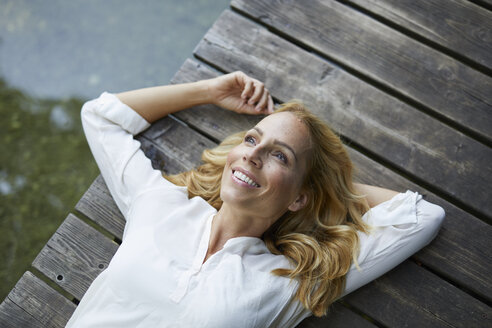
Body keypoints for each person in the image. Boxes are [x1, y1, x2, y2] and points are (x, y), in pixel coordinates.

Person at [66, 71, 445, 327]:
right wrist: (209, 91)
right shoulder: (160, 203)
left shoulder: (286, 283)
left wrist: (329, 186)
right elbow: (101, 117)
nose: (252, 153)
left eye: (280, 155)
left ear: (299, 198)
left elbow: (421, 217)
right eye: (251, 139)